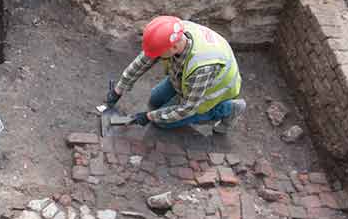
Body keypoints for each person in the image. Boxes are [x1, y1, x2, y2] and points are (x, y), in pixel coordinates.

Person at [106, 15, 247, 135]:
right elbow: (144, 60)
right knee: (155, 100)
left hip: (209, 90)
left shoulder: (202, 67)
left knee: (162, 123)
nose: (156, 57)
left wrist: (148, 117)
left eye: (159, 53)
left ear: (173, 48)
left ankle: (229, 108)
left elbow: (187, 108)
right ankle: (178, 95)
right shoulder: (174, 31)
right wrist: (119, 89)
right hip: (185, 78)